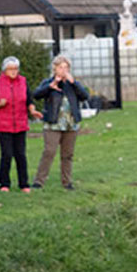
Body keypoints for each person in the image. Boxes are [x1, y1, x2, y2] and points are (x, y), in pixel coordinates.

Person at [32, 55, 89, 190]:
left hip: (70, 124)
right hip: (53, 124)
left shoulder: (73, 83)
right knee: (49, 151)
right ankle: (39, 181)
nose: (63, 70)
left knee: (67, 154)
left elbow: (85, 96)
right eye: (60, 67)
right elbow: (36, 94)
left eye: (66, 67)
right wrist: (51, 87)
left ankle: (67, 182)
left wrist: (74, 83)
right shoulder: (49, 82)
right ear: (55, 69)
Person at [0, 56, 42, 192]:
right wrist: (0, 104)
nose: (13, 71)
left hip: (20, 123)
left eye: (16, 69)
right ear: (4, 70)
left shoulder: (23, 82)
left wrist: (33, 110)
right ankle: (4, 184)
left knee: (20, 155)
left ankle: (24, 184)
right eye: (10, 69)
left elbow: (29, 100)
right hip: (3, 125)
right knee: (7, 154)